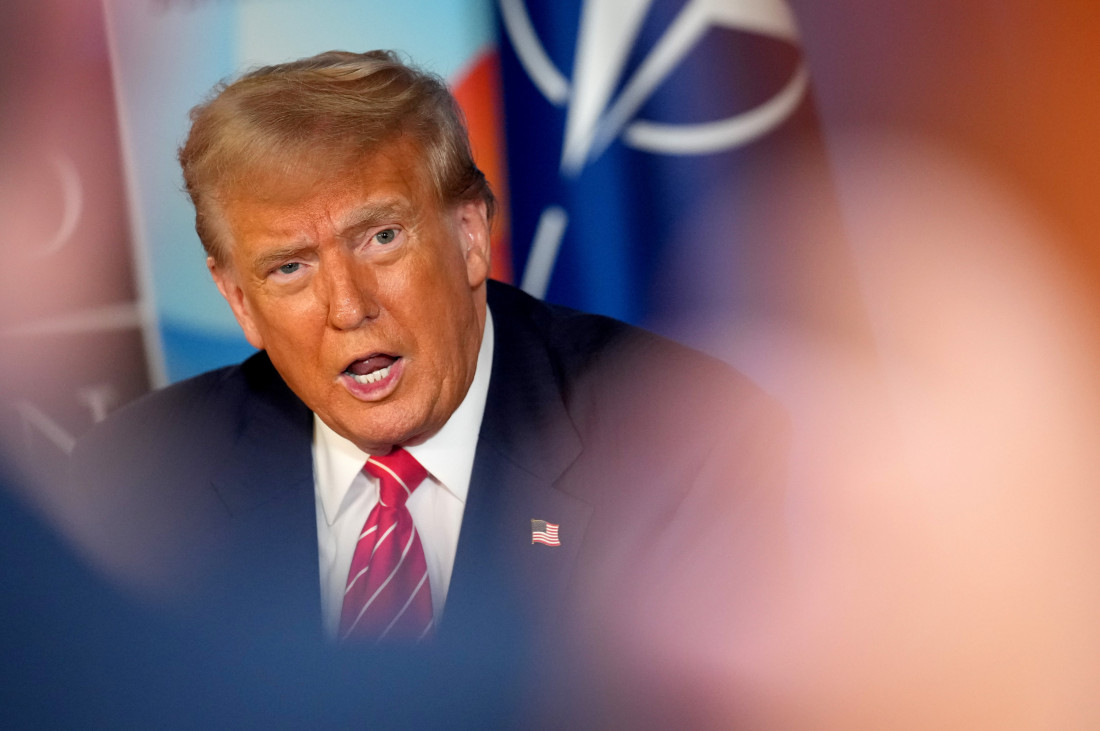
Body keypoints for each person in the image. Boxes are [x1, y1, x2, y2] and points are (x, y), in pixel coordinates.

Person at [73, 49, 788, 724]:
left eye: (381, 236)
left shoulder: (680, 447)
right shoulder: (139, 481)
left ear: (471, 234)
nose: (348, 306)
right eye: (289, 268)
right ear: (237, 300)